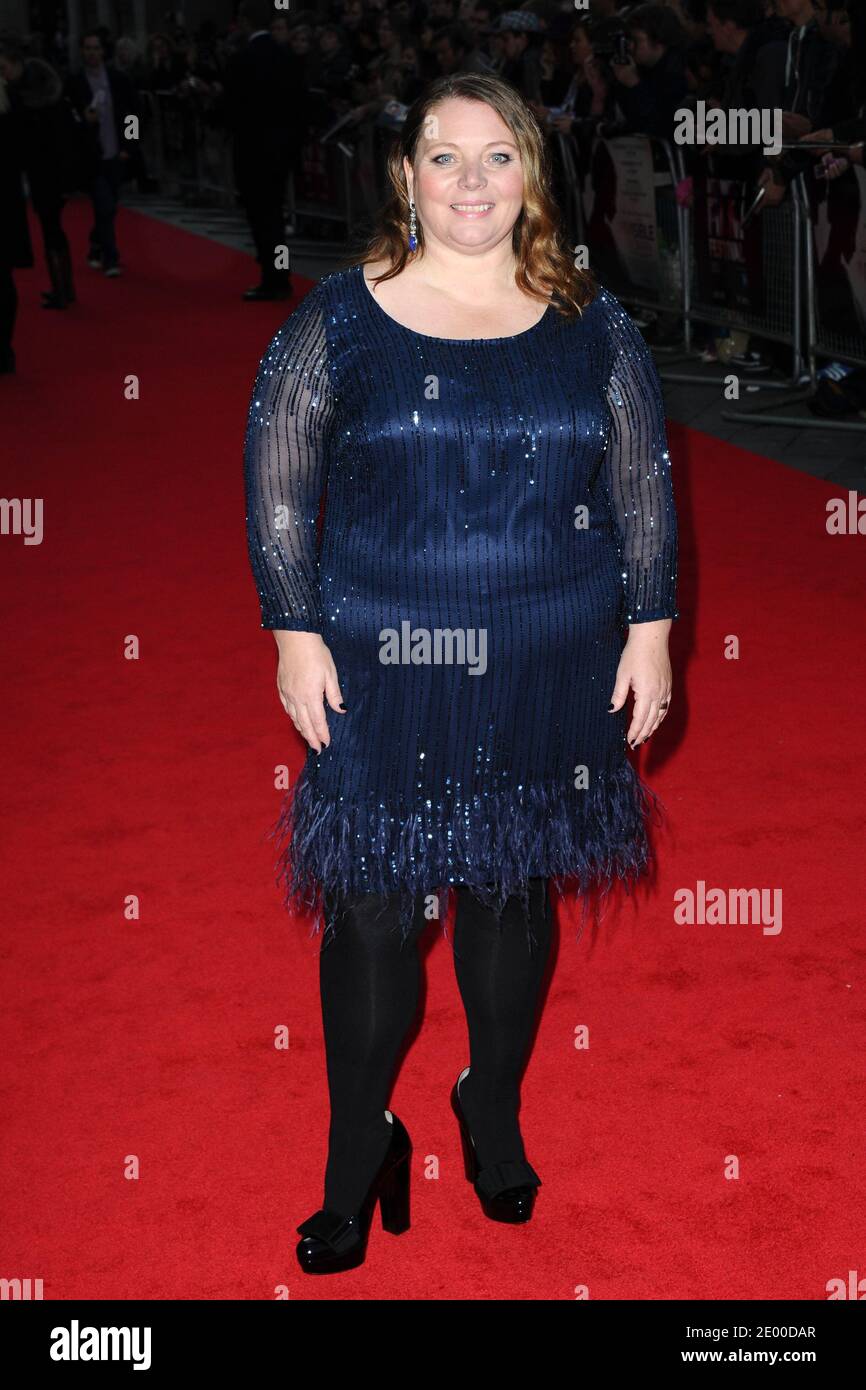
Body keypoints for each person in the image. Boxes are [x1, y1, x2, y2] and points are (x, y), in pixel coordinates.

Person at [243, 71, 679, 1274]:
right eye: (444, 157)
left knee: (506, 887)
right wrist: (294, 629)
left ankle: (488, 1102)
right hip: (383, 654)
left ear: (531, 175)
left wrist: (649, 629)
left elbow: (640, 484)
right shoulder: (335, 318)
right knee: (375, 907)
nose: (471, 182)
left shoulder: (593, 323)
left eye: (497, 157)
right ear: (405, 176)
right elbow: (277, 480)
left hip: (550, 649)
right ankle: (354, 1149)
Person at [223, 0, 304, 301]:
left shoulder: (242, 59)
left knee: (263, 217)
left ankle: (275, 277)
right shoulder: (286, 56)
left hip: (253, 153)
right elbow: (300, 103)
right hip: (281, 152)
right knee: (275, 216)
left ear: (245, 22)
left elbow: (231, 108)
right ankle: (279, 273)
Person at [0, 39, 78, 310]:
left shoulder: (44, 93)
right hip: (38, 170)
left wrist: (130, 142)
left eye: (4, 67)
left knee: (53, 227)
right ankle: (63, 287)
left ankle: (64, 288)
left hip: (53, 170)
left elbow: (131, 114)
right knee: (52, 228)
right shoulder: (18, 92)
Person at [64, 29, 139, 277]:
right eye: (87, 48)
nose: (92, 53)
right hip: (91, 155)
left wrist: (129, 145)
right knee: (104, 205)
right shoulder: (74, 82)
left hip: (116, 153)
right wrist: (83, 121)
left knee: (109, 205)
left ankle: (96, 245)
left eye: (96, 48)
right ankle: (111, 257)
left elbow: (131, 113)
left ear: (103, 51)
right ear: (82, 51)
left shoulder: (118, 79)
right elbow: (68, 118)